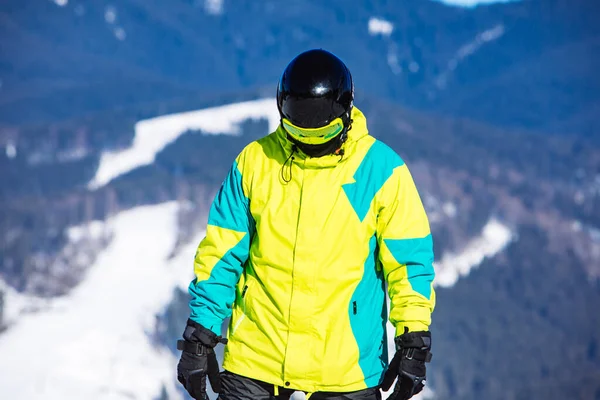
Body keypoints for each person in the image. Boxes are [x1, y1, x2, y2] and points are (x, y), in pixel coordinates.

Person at [177, 49, 435, 400]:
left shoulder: (381, 170)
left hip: (345, 368)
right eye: (300, 130)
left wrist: (414, 339)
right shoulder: (255, 163)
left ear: (346, 112)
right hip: (257, 358)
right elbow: (221, 255)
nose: (313, 144)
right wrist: (200, 333)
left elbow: (409, 264)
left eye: (323, 132)